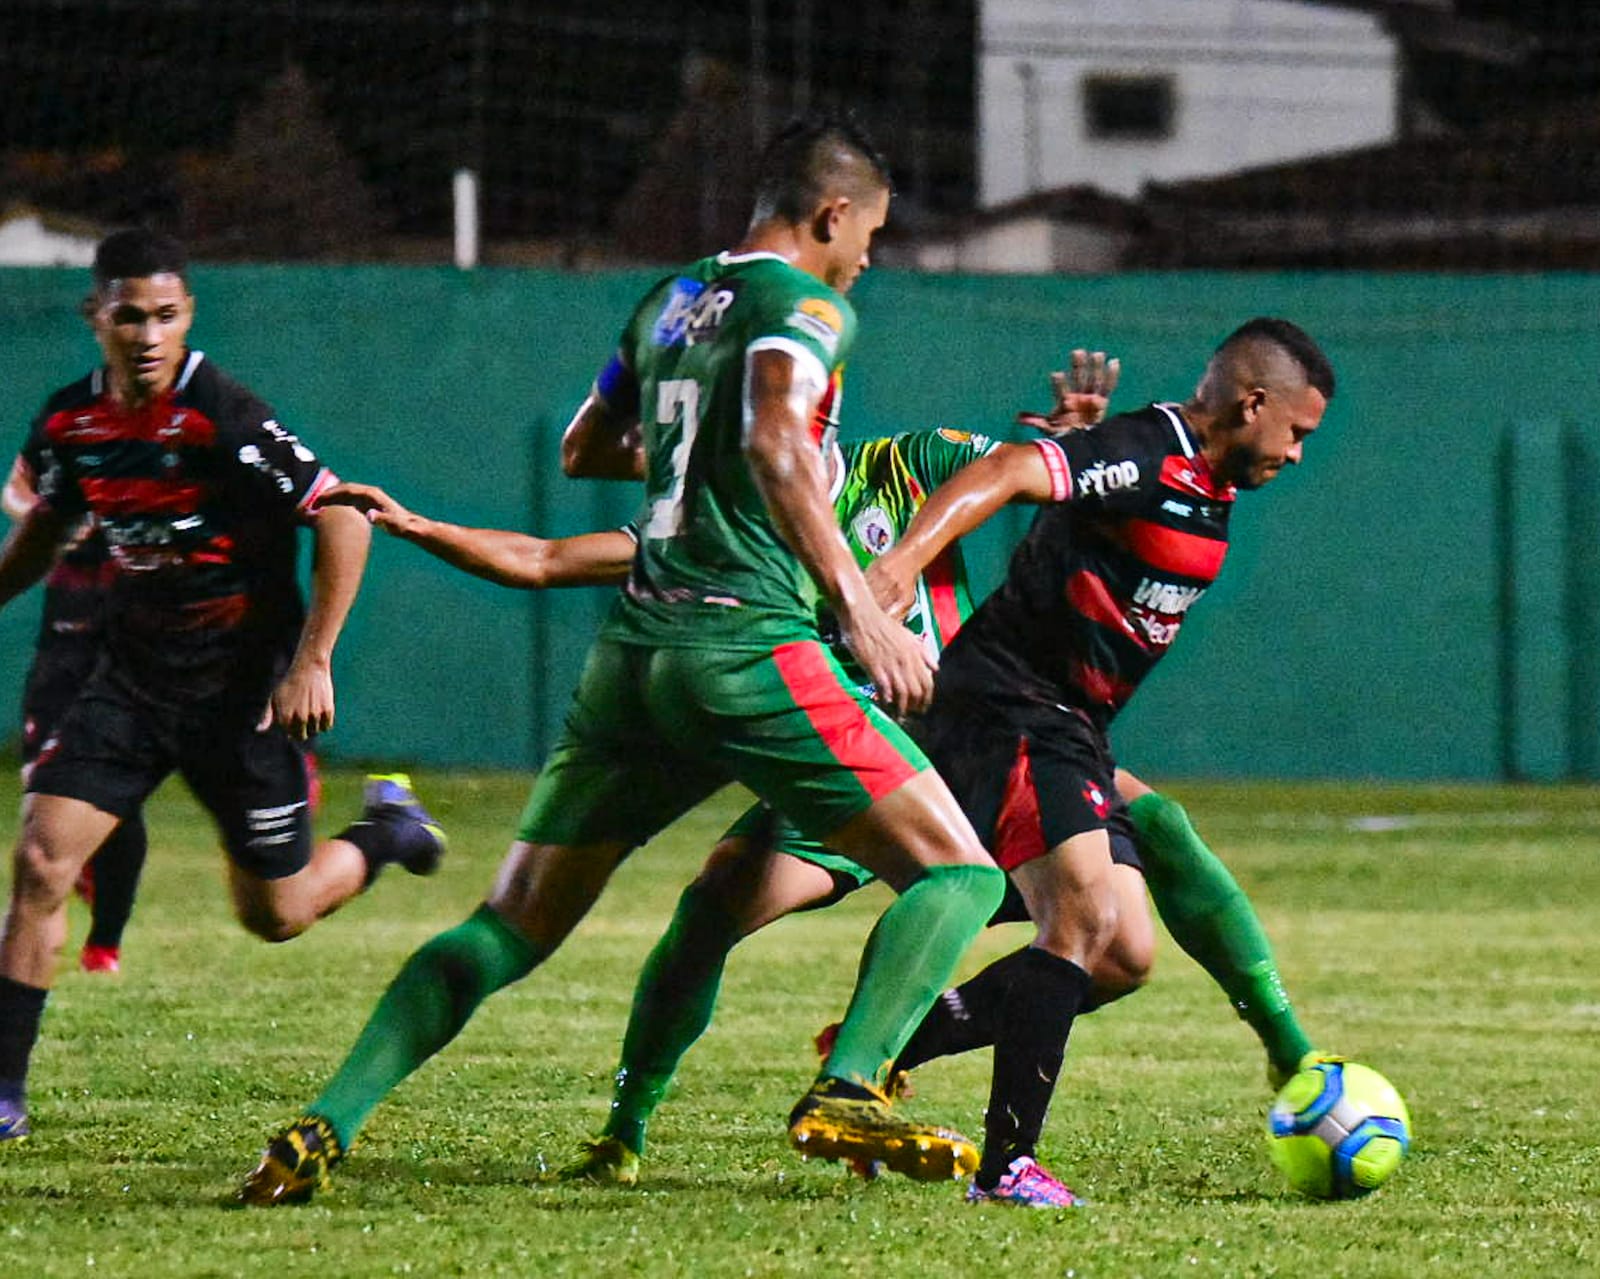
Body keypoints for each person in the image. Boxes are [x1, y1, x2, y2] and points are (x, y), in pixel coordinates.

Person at [238, 114, 1007, 1207]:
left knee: (510, 924)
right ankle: (847, 1085)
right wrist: (864, 612)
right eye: (870, 232)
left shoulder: (672, 301)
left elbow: (586, 449)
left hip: (634, 657)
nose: (870, 257)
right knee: (960, 872)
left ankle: (325, 1122)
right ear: (831, 214)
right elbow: (778, 440)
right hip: (746, 647)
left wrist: (701, 452)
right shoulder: (808, 307)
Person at [870, 317, 1336, 1205]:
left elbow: (1064, 511)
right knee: (1080, 911)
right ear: (1253, 402)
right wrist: (901, 564)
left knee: (1121, 954)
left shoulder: (1201, 479)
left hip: (1071, 725)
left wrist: (1068, 450)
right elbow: (1007, 472)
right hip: (1008, 705)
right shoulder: (1146, 450)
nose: (1298, 454)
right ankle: (1006, 1167)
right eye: (1297, 433)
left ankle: (892, 1047)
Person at [0, 228, 446, 1143]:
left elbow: (344, 518)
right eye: (130, 315)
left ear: (188, 314)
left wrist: (311, 659)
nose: (149, 333)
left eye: (166, 314)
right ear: (98, 318)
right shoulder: (68, 425)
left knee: (276, 914)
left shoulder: (223, 415)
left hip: (240, 694)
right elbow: (49, 528)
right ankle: (4, 1090)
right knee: (42, 862)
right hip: (129, 683)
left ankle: (387, 830)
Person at [2, 459, 146, 974]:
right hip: (67, 628)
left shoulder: (188, 429)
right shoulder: (73, 427)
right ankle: (43, 911)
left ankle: (105, 938)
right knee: (39, 782)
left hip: (140, 635)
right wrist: (48, 520)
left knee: (119, 796)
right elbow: (17, 489)